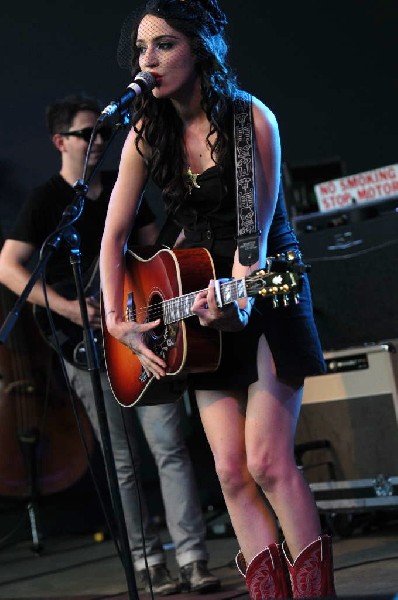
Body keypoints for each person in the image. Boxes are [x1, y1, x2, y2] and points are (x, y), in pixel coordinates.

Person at [99, 1, 337, 599]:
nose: (147, 61)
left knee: (267, 462)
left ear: (201, 47)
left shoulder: (249, 119)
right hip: (195, 296)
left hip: (262, 284)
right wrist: (116, 319)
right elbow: (113, 238)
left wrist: (235, 298)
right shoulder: (145, 134)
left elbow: (252, 240)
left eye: (164, 46)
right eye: (140, 50)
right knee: (230, 472)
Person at [0, 93, 220, 595]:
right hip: (85, 347)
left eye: (104, 132)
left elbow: (150, 255)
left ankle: (192, 558)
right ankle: (147, 563)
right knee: (121, 460)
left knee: (170, 447)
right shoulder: (46, 201)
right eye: (88, 133)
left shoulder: (128, 191)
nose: (100, 140)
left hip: (142, 337)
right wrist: (70, 308)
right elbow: (7, 267)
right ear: (61, 142)